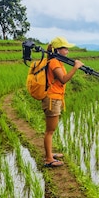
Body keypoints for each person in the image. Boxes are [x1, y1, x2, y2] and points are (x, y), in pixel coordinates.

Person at [42, 36, 84, 167]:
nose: (67, 51)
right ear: (57, 50)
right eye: (65, 48)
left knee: (51, 130)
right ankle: (49, 159)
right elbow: (63, 79)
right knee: (50, 131)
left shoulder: (57, 61)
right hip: (52, 99)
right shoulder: (54, 62)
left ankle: (50, 154)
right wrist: (75, 67)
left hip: (56, 98)